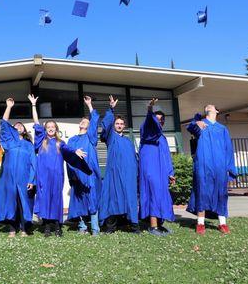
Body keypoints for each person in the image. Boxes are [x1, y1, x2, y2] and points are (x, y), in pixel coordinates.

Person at [29, 94, 89, 237]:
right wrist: (33, 105)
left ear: (56, 129)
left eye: (52, 127)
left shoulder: (60, 143)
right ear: (45, 129)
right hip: (43, 176)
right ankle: (47, 226)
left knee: (56, 198)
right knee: (44, 199)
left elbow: (68, 151)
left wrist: (76, 151)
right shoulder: (41, 140)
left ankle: (57, 226)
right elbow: (36, 122)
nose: (50, 129)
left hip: (56, 176)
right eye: (48, 127)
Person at [186, 105, 237, 235]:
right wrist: (196, 121)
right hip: (203, 165)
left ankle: (222, 223)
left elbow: (228, 149)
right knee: (202, 191)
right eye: (207, 106)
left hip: (220, 166)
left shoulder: (222, 129)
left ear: (217, 111)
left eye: (212, 105)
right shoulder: (201, 125)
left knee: (221, 193)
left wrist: (230, 169)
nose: (209, 106)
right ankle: (201, 223)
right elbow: (190, 128)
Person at [98, 95, 139, 234]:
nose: (119, 125)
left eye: (121, 124)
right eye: (117, 123)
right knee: (112, 197)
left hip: (128, 175)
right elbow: (106, 125)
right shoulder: (111, 137)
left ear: (124, 126)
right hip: (114, 172)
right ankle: (111, 226)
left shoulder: (128, 141)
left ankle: (133, 226)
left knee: (129, 197)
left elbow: (134, 158)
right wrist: (111, 109)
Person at [0, 98, 37, 237]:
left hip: (24, 178)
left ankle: (24, 229)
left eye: (21, 126)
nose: (19, 126)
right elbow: (3, 123)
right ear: (13, 130)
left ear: (25, 130)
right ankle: (12, 229)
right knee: (10, 203)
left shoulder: (29, 145)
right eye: (16, 125)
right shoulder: (9, 140)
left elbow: (33, 164)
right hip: (9, 178)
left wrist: (32, 180)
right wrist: (8, 107)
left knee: (23, 203)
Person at [139, 98, 175, 236]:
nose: (158, 122)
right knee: (153, 194)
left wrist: (170, 173)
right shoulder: (148, 134)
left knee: (161, 195)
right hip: (150, 170)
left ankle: (159, 224)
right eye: (156, 119)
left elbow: (166, 157)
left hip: (161, 171)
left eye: (161, 120)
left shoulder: (163, 138)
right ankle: (153, 226)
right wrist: (150, 110)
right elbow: (149, 122)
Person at [66, 95, 101, 235]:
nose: (83, 122)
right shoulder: (72, 140)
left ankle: (95, 228)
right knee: (79, 200)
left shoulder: (91, 137)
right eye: (82, 120)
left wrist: (89, 105)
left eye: (86, 121)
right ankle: (82, 227)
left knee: (92, 199)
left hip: (89, 173)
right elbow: (68, 157)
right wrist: (72, 174)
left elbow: (95, 120)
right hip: (77, 174)